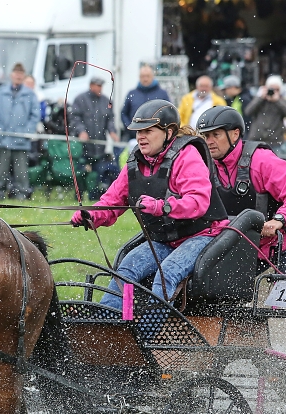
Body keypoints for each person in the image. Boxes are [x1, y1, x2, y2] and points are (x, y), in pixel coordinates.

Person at [196, 105, 286, 365]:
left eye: (215, 135)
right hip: (247, 247)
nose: (209, 142)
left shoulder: (262, 161)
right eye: (205, 136)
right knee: (213, 292)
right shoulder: (206, 165)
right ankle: (231, 352)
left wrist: (279, 220)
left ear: (235, 135)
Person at [71, 100, 228, 312]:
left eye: (148, 131)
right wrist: (91, 215)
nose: (140, 137)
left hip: (203, 236)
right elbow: (112, 201)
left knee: (167, 274)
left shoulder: (187, 156)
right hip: (165, 239)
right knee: (126, 269)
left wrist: (161, 207)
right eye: (138, 132)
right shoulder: (135, 163)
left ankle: (143, 337)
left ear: (169, 132)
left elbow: (197, 202)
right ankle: (111, 324)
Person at [0, 62, 40, 200]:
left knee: (21, 172)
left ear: (23, 76)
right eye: (16, 73)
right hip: (3, 139)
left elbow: (35, 115)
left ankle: (22, 195)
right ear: (11, 75)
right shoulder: (2, 91)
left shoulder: (29, 94)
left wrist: (26, 131)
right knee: (1, 171)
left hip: (21, 140)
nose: (18, 76)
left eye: (21, 73)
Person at [70, 76, 120, 198]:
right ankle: (79, 194)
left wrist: (112, 131)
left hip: (99, 147)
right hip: (83, 146)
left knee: (99, 172)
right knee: (81, 172)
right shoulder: (80, 99)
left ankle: (95, 196)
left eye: (101, 86)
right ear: (91, 85)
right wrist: (81, 131)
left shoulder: (106, 101)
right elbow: (74, 119)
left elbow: (110, 119)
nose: (100, 88)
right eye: (97, 85)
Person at [120, 64, 170, 140]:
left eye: (148, 76)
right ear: (139, 77)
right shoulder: (132, 94)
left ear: (153, 76)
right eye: (143, 76)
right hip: (133, 138)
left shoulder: (162, 94)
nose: (145, 79)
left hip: (156, 139)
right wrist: (130, 128)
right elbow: (124, 113)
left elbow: (168, 113)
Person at [245, 75, 286, 149]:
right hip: (257, 140)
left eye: (276, 89)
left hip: (275, 142)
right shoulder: (260, 99)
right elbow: (248, 111)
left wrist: (277, 101)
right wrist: (260, 97)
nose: (273, 91)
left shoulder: (282, 101)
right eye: (271, 88)